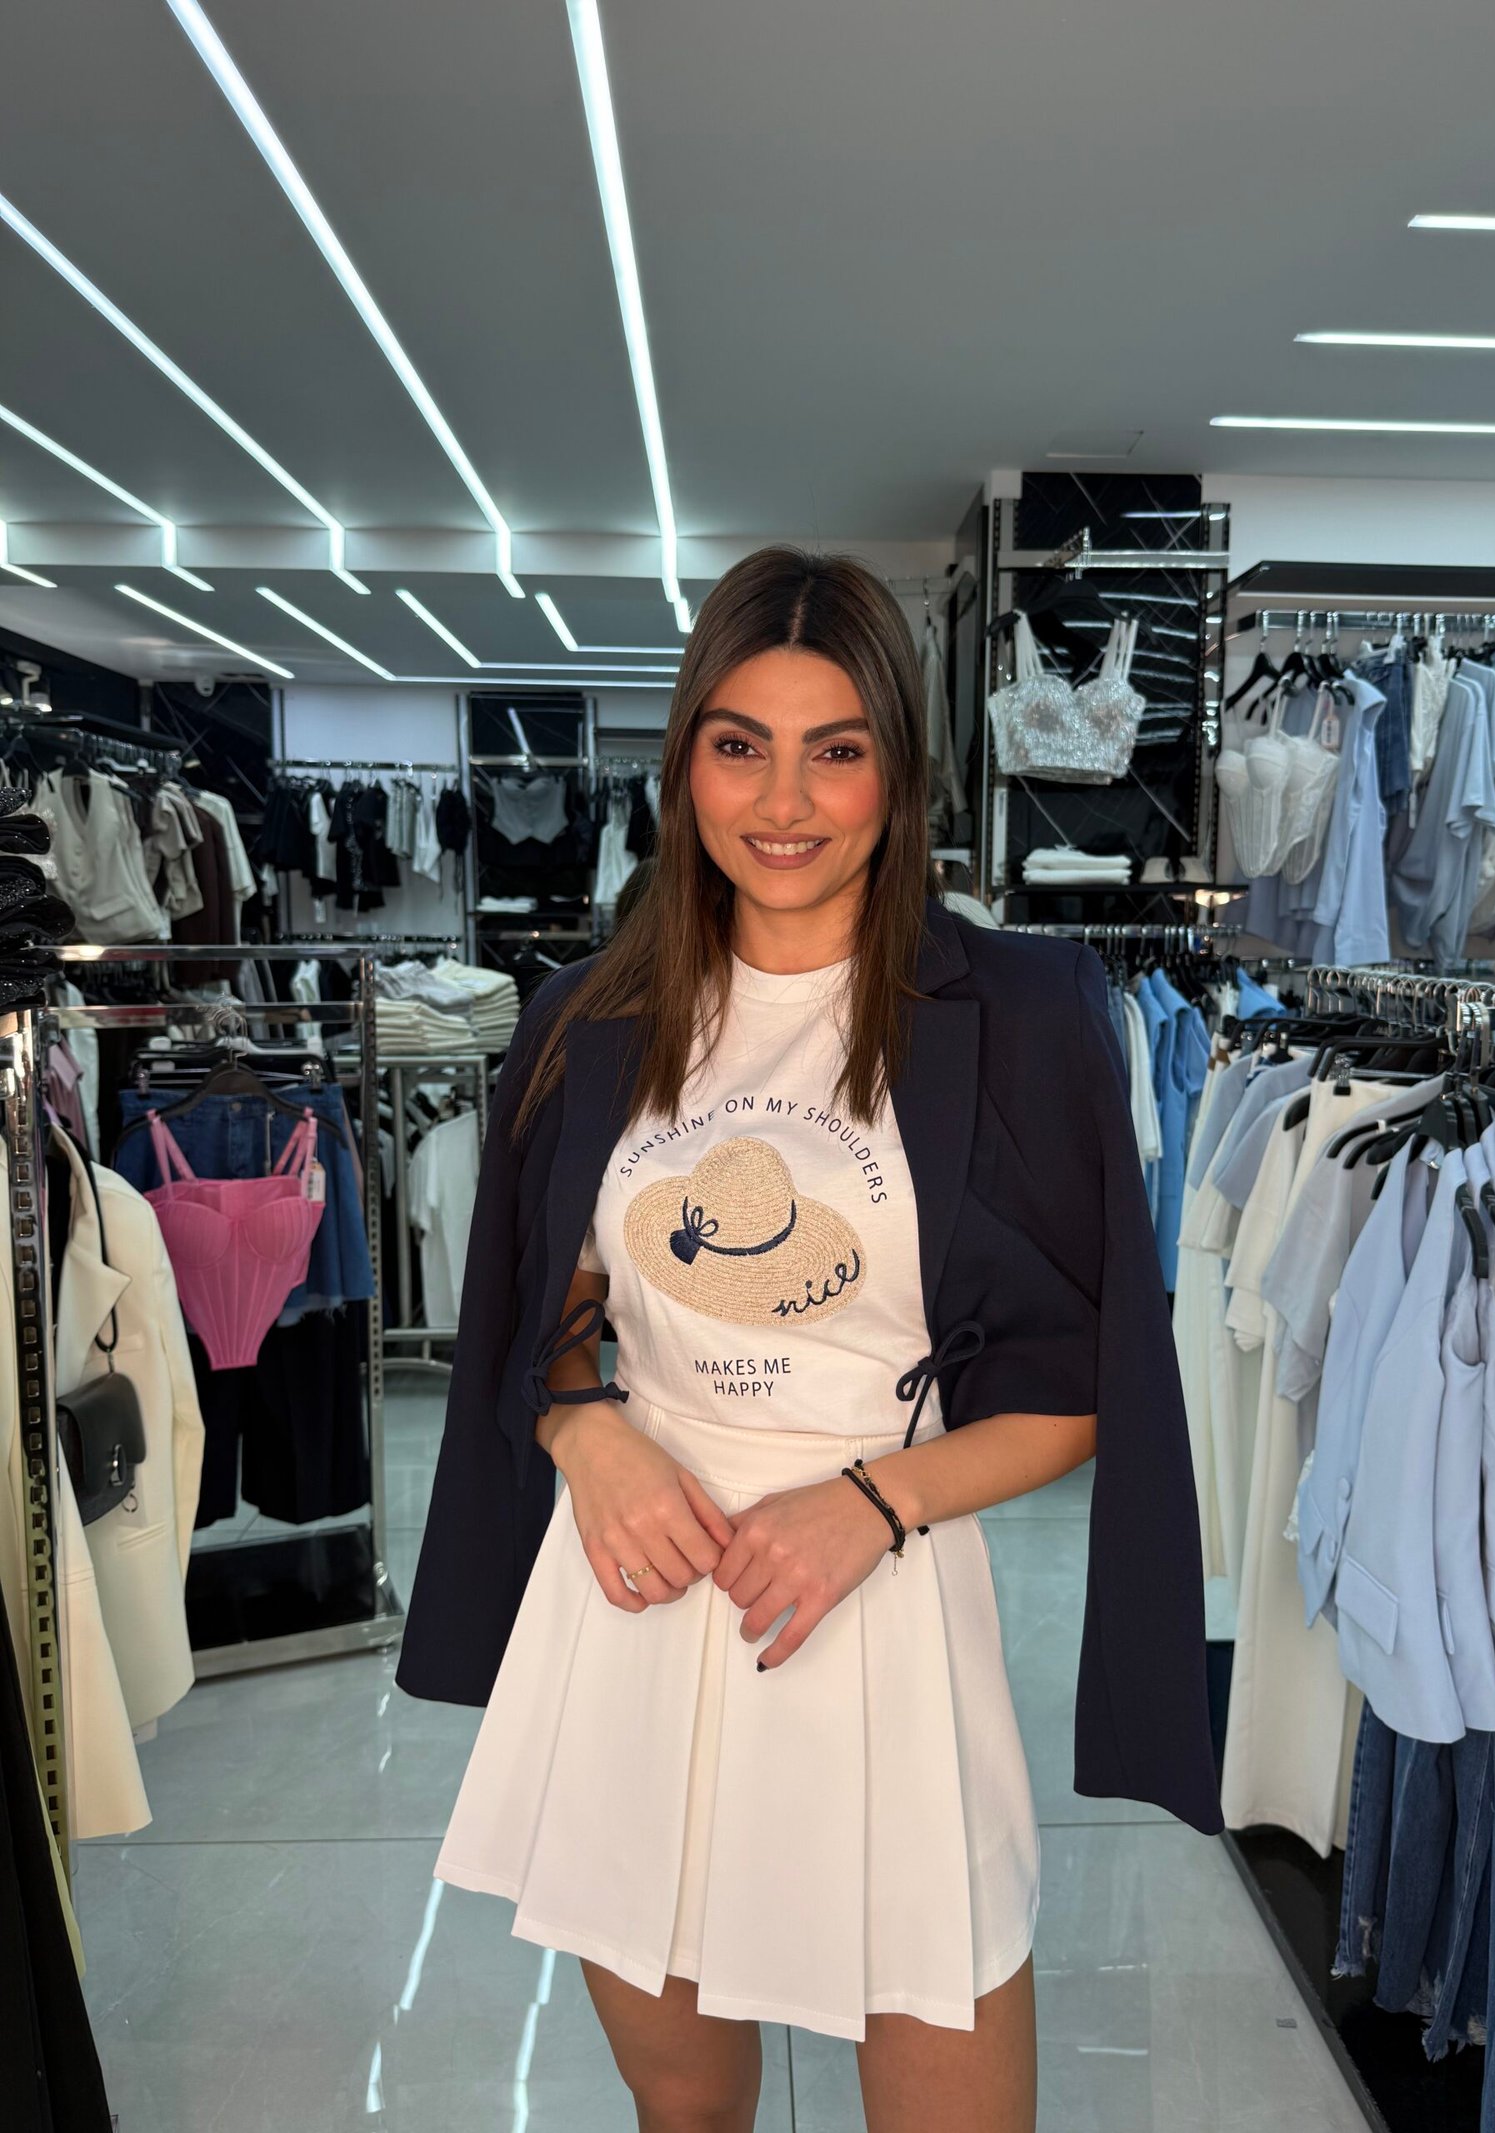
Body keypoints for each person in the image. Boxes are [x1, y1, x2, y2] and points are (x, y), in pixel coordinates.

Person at [398, 547, 1219, 2133]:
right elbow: (544, 1303)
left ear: (898, 772)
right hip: (639, 1609)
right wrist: (585, 1426)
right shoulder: (582, 1022)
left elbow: (1086, 1382)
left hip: (879, 1606)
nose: (784, 801)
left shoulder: (1031, 1014)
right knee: (685, 2108)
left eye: (834, 749)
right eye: (740, 744)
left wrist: (873, 1502)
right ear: (684, 761)